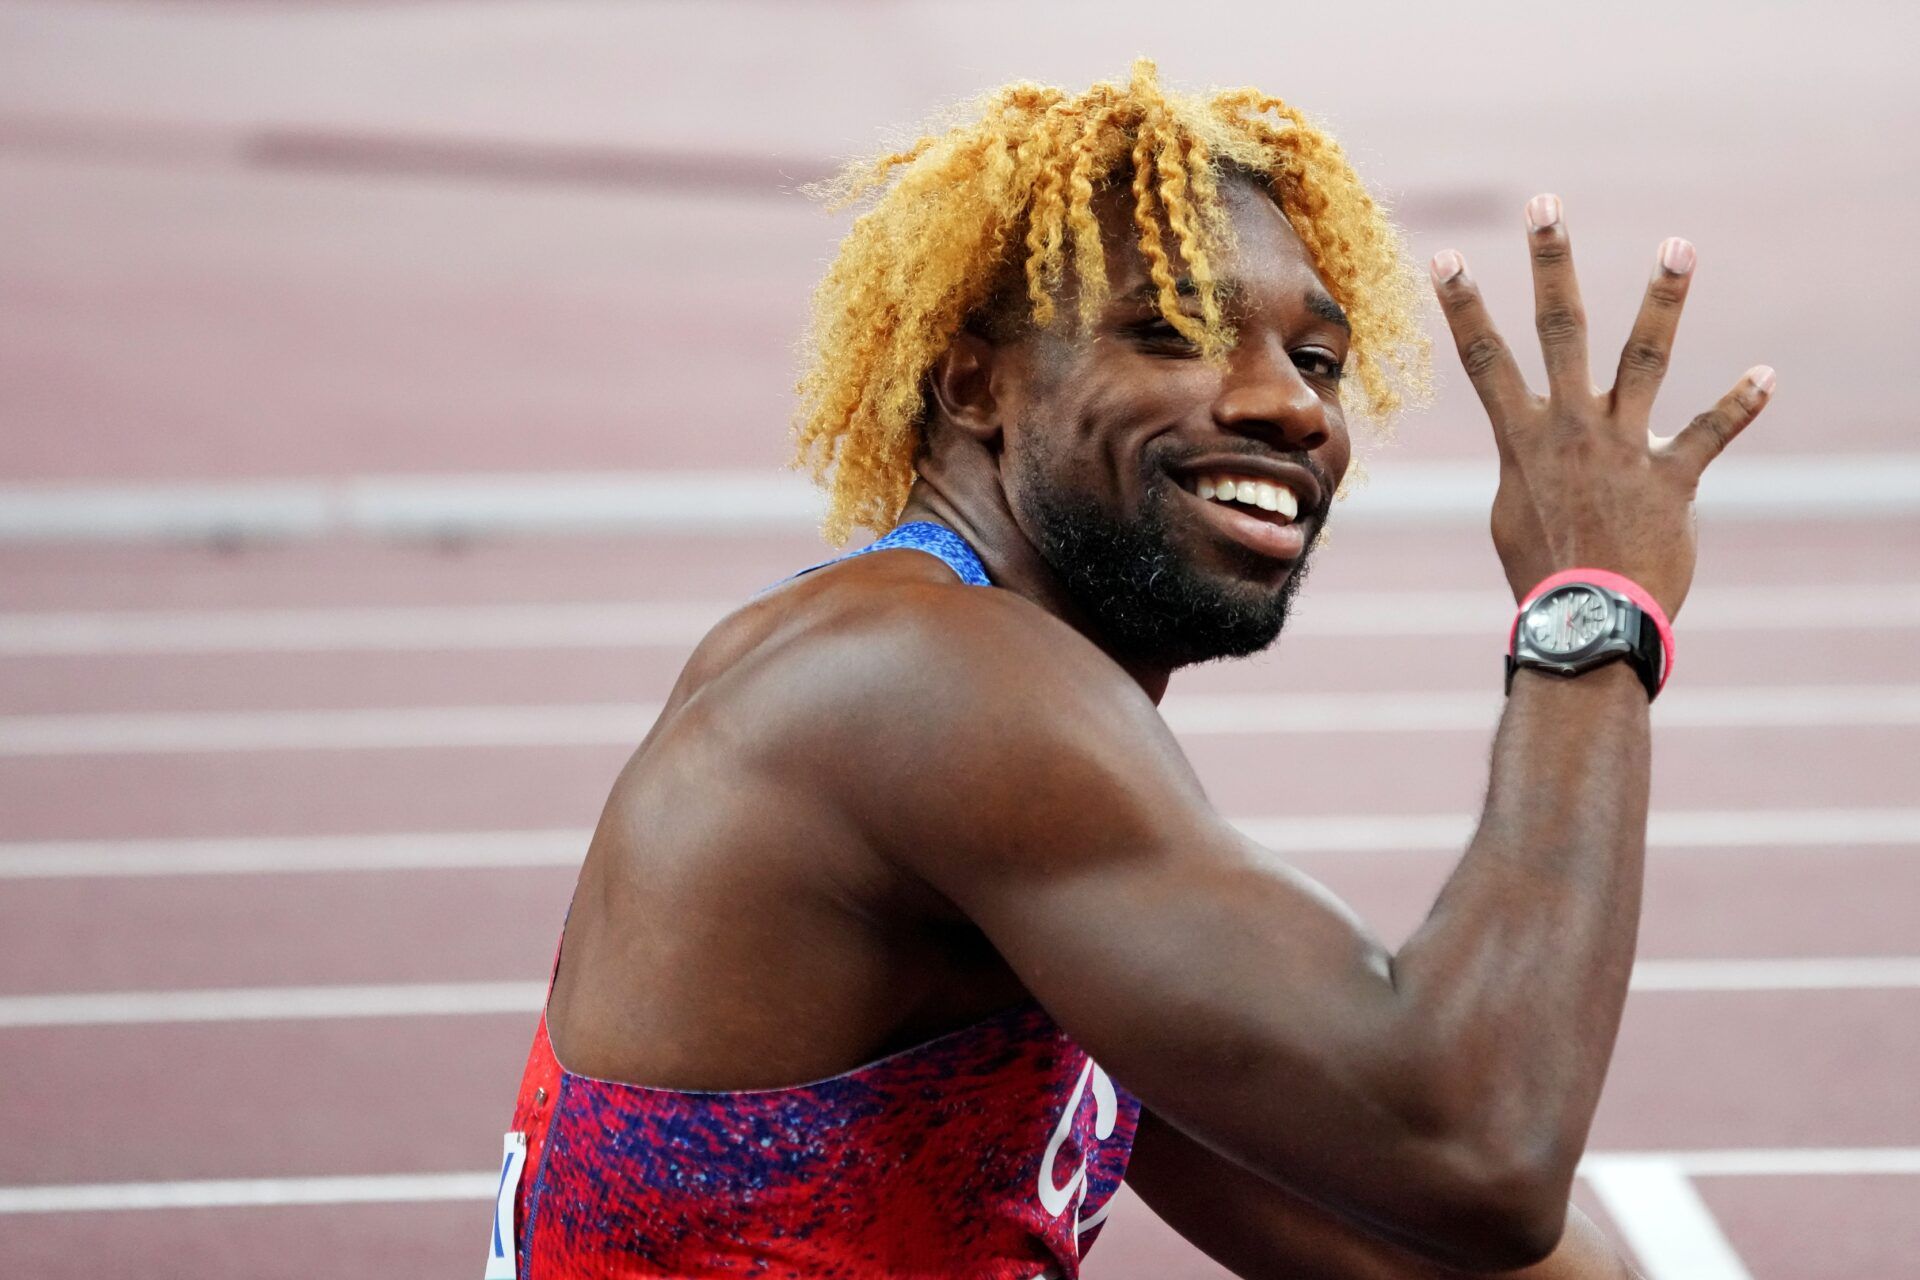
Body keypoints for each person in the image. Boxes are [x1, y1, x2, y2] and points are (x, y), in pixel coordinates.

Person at [486, 60, 1771, 1279]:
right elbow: (1479, 1150)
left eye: (1318, 362)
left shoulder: (936, 692)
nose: (1290, 406)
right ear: (974, 384)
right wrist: (1593, 603)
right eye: (1174, 332)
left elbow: (1405, 1241)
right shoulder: (928, 686)